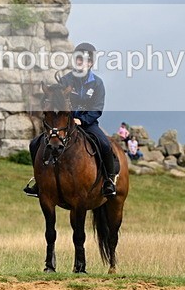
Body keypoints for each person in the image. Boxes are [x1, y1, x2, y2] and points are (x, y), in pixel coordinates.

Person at [24, 42, 118, 198]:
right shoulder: (65, 80)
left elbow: (97, 108)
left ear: (91, 63)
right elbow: (58, 103)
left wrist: (82, 120)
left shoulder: (97, 83)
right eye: (79, 59)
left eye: (85, 60)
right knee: (35, 143)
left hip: (88, 124)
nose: (81, 63)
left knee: (105, 144)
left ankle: (108, 181)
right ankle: (39, 181)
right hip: (64, 124)